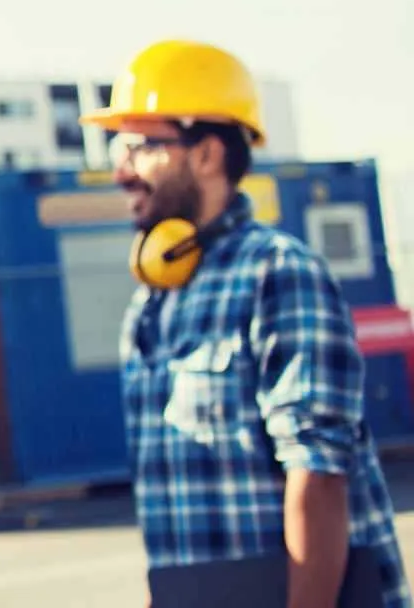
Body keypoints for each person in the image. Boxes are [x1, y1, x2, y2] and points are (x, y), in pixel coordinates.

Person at [83, 39, 410, 608]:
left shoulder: (278, 273)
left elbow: (319, 471)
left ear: (206, 154)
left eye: (139, 146)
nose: (120, 170)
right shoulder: (151, 306)